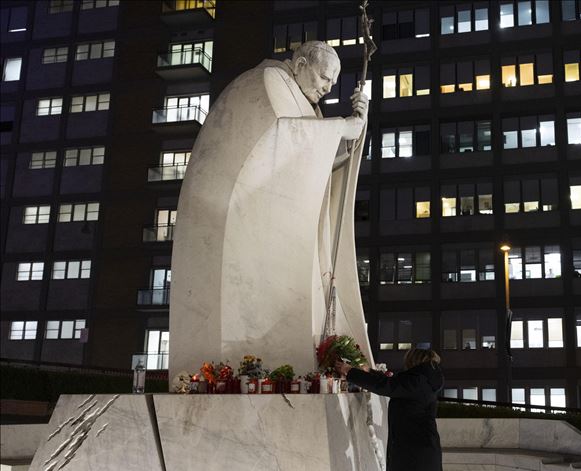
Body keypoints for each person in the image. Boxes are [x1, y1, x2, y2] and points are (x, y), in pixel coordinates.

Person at [170, 40, 373, 376]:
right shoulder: (267, 82)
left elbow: (311, 161)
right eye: (323, 78)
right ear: (302, 63)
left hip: (280, 228)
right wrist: (341, 127)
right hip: (241, 224)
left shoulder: (308, 105)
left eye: (332, 84)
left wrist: (354, 132)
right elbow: (277, 141)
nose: (326, 88)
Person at [335, 348, 444, 471]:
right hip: (418, 450)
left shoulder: (418, 381)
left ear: (414, 361)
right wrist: (369, 371)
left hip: (415, 454)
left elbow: (387, 386)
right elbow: (394, 383)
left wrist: (350, 371)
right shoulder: (423, 380)